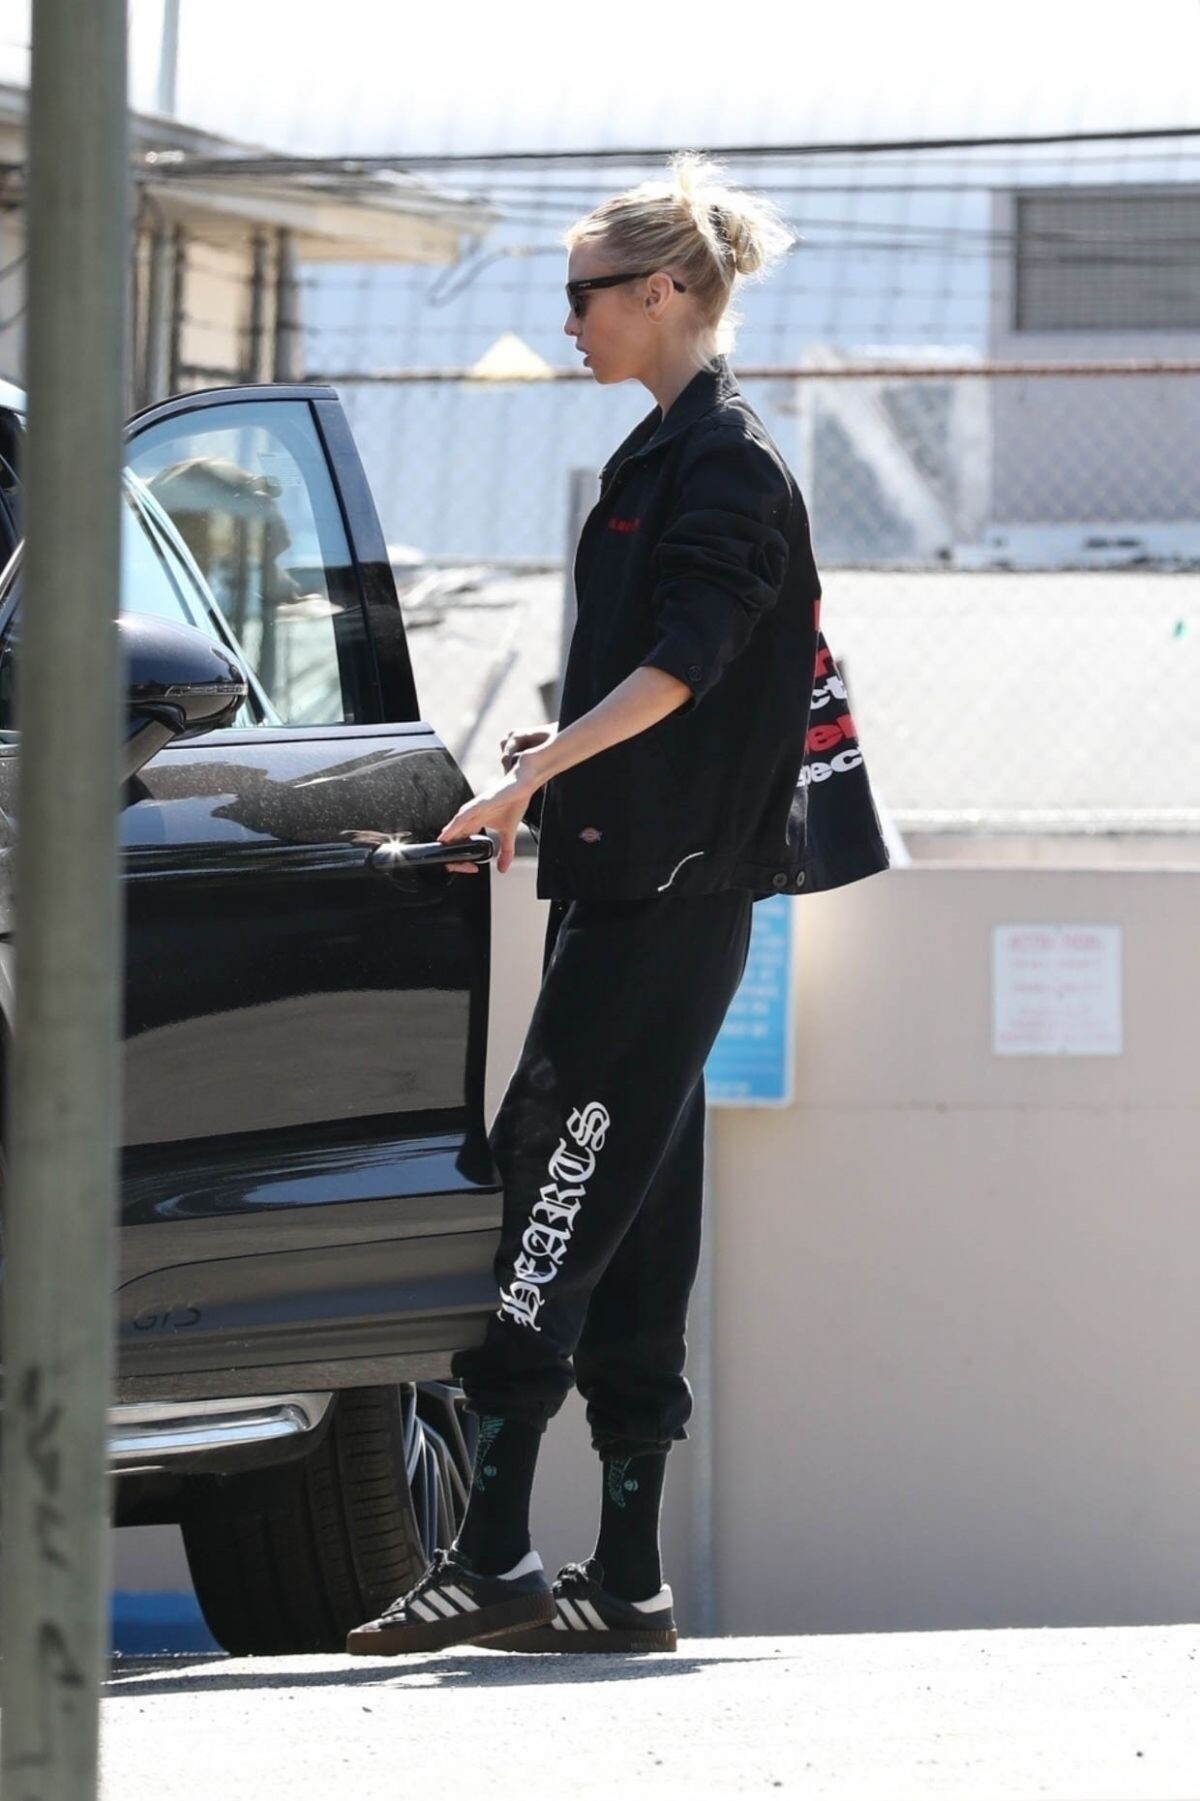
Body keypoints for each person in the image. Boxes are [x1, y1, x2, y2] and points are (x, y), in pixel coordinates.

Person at [346, 151, 889, 1659]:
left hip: (672, 895)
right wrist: (565, 754)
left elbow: (690, 663)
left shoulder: (726, 463)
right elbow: (660, 679)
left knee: (554, 1174)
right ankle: (629, 1575)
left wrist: (531, 778)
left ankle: (494, 1554)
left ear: (660, 292)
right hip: (634, 879)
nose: (568, 318)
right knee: (636, 1210)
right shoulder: (663, 454)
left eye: (584, 293)